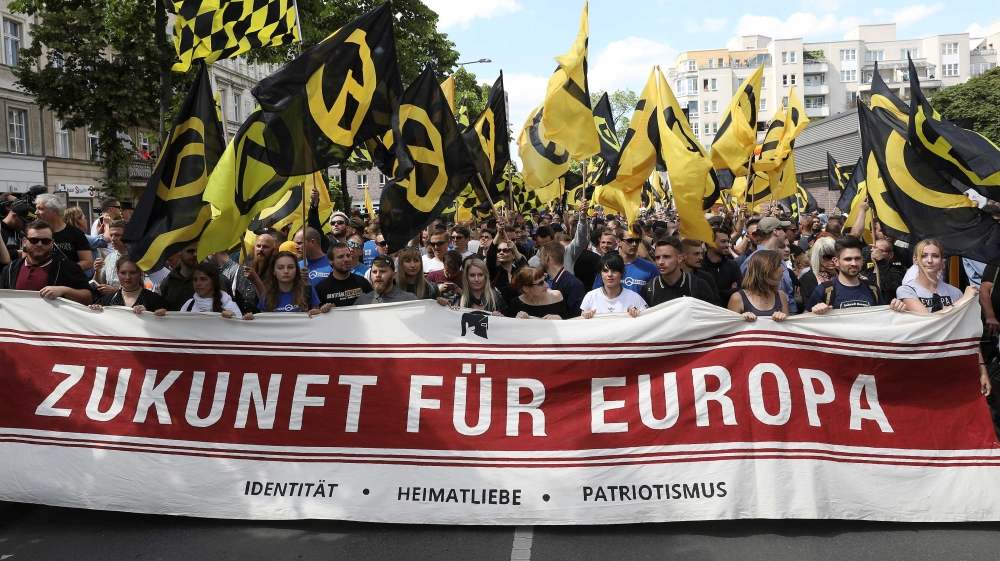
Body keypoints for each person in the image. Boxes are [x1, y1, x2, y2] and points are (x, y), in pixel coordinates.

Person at [896, 239, 991, 396]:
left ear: (942, 261)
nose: (929, 261)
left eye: (935, 256)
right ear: (915, 259)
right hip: (920, 364)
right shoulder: (906, 290)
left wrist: (982, 369)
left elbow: (968, 333)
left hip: (952, 363)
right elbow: (929, 322)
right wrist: (963, 300)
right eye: (924, 255)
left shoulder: (955, 292)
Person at [0, 219, 93, 305]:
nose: (39, 244)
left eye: (45, 241)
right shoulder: (10, 269)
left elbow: (88, 298)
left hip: (52, 322)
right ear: (24, 241)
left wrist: (65, 290)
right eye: (34, 240)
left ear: (52, 243)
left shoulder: (66, 267)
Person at [809, 236, 904, 313]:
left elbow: (882, 318)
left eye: (857, 258)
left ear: (863, 260)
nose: (854, 263)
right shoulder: (823, 290)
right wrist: (814, 312)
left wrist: (895, 308)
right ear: (836, 261)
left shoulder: (872, 288)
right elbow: (803, 323)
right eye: (848, 259)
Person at [740, 217, 797, 313]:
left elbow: (787, 291)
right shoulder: (754, 260)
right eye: (783, 229)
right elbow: (748, 290)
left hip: (785, 315)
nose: (785, 233)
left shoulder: (779, 258)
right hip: (765, 317)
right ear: (775, 232)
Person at [641, 237, 715, 306]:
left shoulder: (698, 285)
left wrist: (692, 306)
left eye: (666, 257)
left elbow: (712, 315)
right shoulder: (649, 289)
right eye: (657, 257)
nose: (660, 262)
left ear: (680, 258)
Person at [165, 262, 249, 319]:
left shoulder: (228, 305)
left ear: (214, 282)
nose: (198, 283)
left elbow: (239, 332)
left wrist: (234, 317)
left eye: (203, 279)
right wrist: (161, 317)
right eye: (195, 279)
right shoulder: (189, 305)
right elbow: (178, 327)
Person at [89, 255, 168, 314]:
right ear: (117, 274)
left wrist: (151, 314)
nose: (127, 277)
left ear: (140, 273)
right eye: (123, 273)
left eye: (132, 273)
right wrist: (96, 311)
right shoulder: (108, 299)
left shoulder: (155, 299)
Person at [34, 194, 93, 272]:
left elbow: (87, 262)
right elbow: (27, 259)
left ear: (54, 211)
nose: (36, 212)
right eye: (36, 209)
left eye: (40, 209)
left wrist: (62, 271)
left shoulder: (75, 233)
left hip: (68, 282)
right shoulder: (34, 233)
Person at [591, 226, 658, 294]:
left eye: (637, 240)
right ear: (619, 241)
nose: (634, 244)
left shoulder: (650, 268)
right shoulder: (607, 265)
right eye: (630, 241)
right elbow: (597, 293)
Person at [581, 252, 648, 319]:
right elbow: (582, 325)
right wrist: (585, 315)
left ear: (622, 273)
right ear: (600, 274)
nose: (609, 274)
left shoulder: (635, 298)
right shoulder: (590, 297)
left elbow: (646, 321)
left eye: (614, 270)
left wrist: (638, 315)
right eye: (605, 271)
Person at [728, 250, 789, 322]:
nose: (783, 269)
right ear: (767, 269)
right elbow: (730, 329)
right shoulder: (737, 298)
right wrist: (742, 320)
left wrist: (783, 318)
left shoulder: (781, 295)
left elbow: (788, 329)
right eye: (779, 265)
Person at [256, 251, 321, 314]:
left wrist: (315, 312)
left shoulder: (308, 291)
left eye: (290, 267)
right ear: (273, 271)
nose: (286, 271)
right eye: (280, 268)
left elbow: (317, 319)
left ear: (296, 269)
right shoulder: (266, 296)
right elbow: (263, 322)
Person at [315, 242, 373, 310]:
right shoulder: (321, 288)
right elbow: (314, 314)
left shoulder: (363, 282)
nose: (346, 259)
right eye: (340, 257)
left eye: (348, 256)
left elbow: (374, 304)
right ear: (331, 261)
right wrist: (322, 310)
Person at [539, 240, 585, 318]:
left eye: (541, 257)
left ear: (547, 257)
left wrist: (561, 319)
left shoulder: (573, 284)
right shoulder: (543, 281)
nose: (539, 261)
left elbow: (577, 317)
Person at [701, 228, 743, 306]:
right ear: (710, 243)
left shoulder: (733, 265)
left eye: (728, 241)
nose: (728, 245)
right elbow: (705, 295)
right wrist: (730, 291)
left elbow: (742, 291)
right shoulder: (700, 266)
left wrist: (720, 291)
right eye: (723, 242)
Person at [678, 238, 722, 306]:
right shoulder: (674, 279)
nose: (701, 257)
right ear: (683, 256)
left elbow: (717, 305)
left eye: (701, 254)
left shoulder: (707, 278)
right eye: (696, 254)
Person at [158, 241, 199, 311]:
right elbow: (159, 308)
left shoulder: (208, 279)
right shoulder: (167, 282)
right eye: (190, 251)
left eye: (197, 251)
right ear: (179, 252)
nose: (195, 254)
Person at [798, 235, 837, 304]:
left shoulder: (843, 273)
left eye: (835, 255)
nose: (832, 260)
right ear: (818, 257)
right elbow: (809, 305)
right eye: (827, 257)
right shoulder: (808, 278)